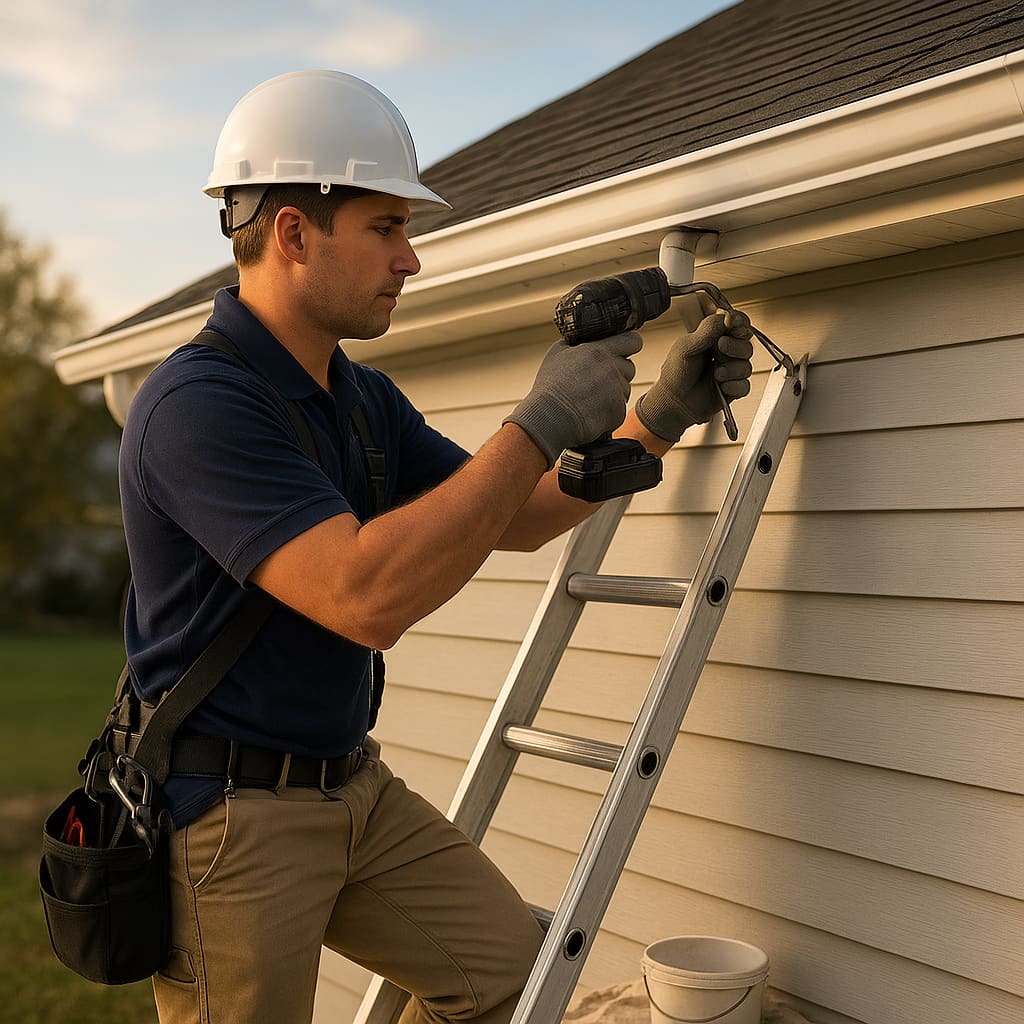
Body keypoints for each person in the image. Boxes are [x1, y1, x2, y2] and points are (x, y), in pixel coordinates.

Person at [117, 70, 754, 1024]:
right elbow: (362, 596)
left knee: (512, 978)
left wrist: (657, 419)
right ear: (293, 232)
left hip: (351, 786)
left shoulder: (358, 398)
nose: (409, 259)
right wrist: (538, 420)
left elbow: (519, 512)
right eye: (385, 228)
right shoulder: (196, 407)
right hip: (230, 817)